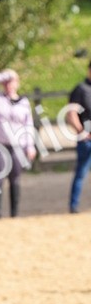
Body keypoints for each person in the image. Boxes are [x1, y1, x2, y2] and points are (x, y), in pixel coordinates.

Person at [0, 68, 36, 218]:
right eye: (6, 83)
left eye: (11, 82)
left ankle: (14, 213)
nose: (8, 85)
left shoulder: (24, 102)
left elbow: (28, 125)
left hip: (18, 145)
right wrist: (3, 76)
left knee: (15, 179)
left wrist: (30, 146)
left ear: (17, 84)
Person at [68, 57, 91, 214]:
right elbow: (71, 113)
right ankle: (74, 205)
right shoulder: (81, 89)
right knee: (81, 172)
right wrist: (81, 131)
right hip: (86, 139)